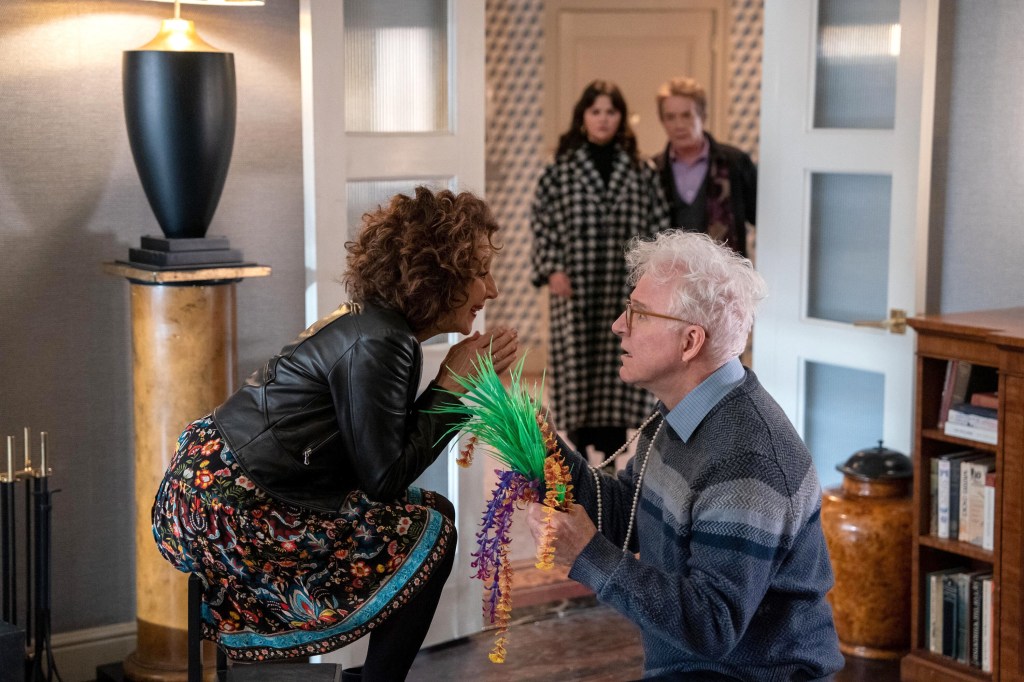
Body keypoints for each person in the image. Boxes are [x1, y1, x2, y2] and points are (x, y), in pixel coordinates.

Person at [152, 187, 519, 681]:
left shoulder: (378, 328)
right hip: (231, 503)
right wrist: (452, 387)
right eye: (479, 272)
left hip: (214, 483)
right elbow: (384, 479)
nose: (491, 290)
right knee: (428, 529)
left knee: (432, 513)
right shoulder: (384, 340)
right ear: (439, 275)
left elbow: (381, 455)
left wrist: (452, 388)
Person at [526, 230, 843, 680]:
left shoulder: (747, 458)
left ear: (690, 342)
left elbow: (712, 625)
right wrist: (542, 453)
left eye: (638, 312)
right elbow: (631, 515)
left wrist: (587, 554)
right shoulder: (681, 413)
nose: (619, 324)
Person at [531, 79, 669, 464]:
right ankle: (583, 452)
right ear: (582, 118)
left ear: (621, 117)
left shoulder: (641, 171)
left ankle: (610, 456)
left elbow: (658, 224)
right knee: (579, 365)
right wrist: (552, 268)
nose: (603, 119)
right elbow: (542, 222)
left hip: (623, 284)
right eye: (596, 112)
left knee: (620, 359)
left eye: (611, 111)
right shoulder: (560, 171)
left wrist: (653, 277)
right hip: (575, 286)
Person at [650, 77, 757, 257]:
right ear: (662, 121)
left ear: (703, 116)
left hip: (725, 275)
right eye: (670, 117)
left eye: (686, 115)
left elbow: (764, 219)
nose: (679, 125)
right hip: (671, 274)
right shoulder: (653, 169)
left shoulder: (734, 162)